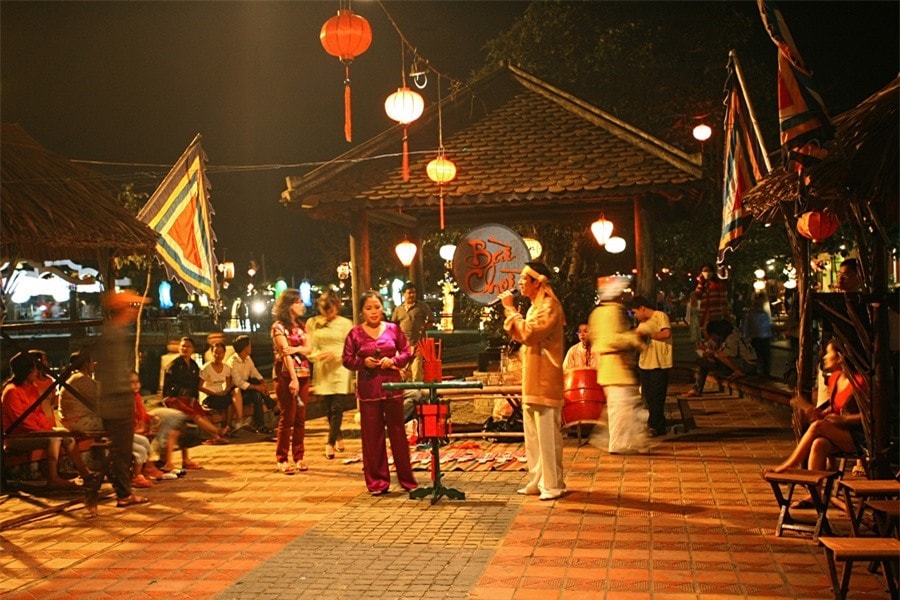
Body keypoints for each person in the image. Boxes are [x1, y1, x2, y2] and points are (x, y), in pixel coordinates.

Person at [769, 339, 865, 506]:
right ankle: (815, 494)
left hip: (859, 437)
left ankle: (789, 466)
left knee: (818, 427)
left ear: (841, 357)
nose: (825, 356)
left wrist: (844, 419)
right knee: (819, 444)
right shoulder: (835, 378)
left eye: (829, 353)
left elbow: (870, 417)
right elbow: (834, 409)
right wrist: (818, 412)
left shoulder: (859, 381)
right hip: (839, 432)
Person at [499, 262, 566, 501]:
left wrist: (510, 310)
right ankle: (537, 480)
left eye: (524, 279)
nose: (520, 283)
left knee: (547, 437)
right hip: (533, 378)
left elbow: (528, 334)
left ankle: (553, 484)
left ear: (538, 282)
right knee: (533, 436)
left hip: (546, 378)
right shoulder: (534, 307)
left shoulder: (549, 306)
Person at [342, 291, 417, 495]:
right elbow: (347, 359)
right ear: (361, 311)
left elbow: (407, 351)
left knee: (398, 435)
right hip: (369, 390)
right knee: (372, 438)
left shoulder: (393, 329)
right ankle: (377, 483)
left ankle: (407, 480)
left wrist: (393, 361)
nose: (374, 312)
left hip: (392, 388)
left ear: (382, 308)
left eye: (377, 307)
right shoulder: (355, 334)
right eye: (368, 308)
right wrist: (363, 362)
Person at [92, 290, 151, 508]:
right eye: (132, 306)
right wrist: (129, 395)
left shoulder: (113, 332)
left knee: (121, 451)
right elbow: (115, 375)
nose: (135, 310)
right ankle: (122, 493)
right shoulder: (114, 335)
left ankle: (121, 491)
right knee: (121, 451)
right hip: (116, 404)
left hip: (113, 403)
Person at [2, 352, 95, 488]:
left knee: (66, 434)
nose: (37, 372)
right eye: (34, 368)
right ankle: (53, 478)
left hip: (34, 431)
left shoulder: (32, 387)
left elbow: (39, 413)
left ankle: (84, 472)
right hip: (17, 436)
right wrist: (44, 432)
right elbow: (21, 420)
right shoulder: (11, 391)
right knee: (54, 438)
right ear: (26, 370)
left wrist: (46, 428)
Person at [589, 276, 650, 454]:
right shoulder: (612, 312)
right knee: (621, 408)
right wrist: (634, 337)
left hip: (609, 366)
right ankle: (618, 443)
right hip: (615, 366)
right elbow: (612, 339)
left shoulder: (598, 313)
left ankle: (625, 442)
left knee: (622, 407)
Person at [307, 290, 354, 460]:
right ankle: (338, 434)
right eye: (324, 310)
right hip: (323, 368)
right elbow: (310, 346)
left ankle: (330, 442)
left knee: (337, 407)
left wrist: (336, 355)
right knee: (327, 407)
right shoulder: (314, 323)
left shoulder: (346, 324)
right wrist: (315, 356)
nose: (327, 314)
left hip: (340, 368)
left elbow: (351, 348)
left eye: (331, 310)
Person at [271, 289, 313, 474]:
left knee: (301, 418)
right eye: (298, 302)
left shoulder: (303, 326)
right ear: (288, 305)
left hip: (304, 374)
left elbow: (309, 349)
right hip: (286, 376)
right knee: (287, 417)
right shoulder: (278, 327)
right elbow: (284, 354)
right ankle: (282, 458)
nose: (302, 305)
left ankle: (299, 456)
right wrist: (293, 379)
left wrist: (296, 349)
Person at [163, 336, 228, 449]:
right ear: (179, 348)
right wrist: (181, 393)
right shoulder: (173, 365)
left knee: (199, 410)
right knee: (193, 413)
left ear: (193, 349)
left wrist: (193, 397)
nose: (185, 348)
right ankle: (217, 430)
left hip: (187, 399)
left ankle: (215, 436)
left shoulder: (193, 365)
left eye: (188, 346)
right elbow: (169, 387)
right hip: (174, 399)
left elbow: (194, 386)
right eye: (183, 346)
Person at [632, 295, 673, 437]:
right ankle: (657, 424)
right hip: (645, 364)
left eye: (636, 312)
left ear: (642, 308)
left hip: (659, 363)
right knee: (648, 396)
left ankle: (656, 426)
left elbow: (666, 333)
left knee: (657, 396)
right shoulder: (642, 323)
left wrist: (650, 334)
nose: (636, 316)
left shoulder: (660, 316)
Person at [687, 319, 757, 396]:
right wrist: (707, 352)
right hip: (739, 362)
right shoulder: (723, 337)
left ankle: (738, 372)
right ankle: (696, 389)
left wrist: (709, 351)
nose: (711, 338)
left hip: (747, 364)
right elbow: (707, 347)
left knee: (717, 357)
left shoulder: (732, 337)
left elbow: (725, 355)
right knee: (705, 362)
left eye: (712, 335)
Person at [226, 335, 272, 434]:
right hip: (236, 393)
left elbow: (254, 372)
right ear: (245, 348)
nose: (251, 348)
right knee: (256, 389)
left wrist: (263, 383)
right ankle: (272, 405)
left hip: (247, 389)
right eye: (250, 346)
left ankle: (260, 425)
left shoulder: (247, 358)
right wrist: (257, 387)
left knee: (257, 394)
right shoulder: (232, 362)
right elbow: (238, 382)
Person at [390, 282, 433, 382]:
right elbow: (393, 325)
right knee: (402, 369)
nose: (412, 295)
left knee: (417, 369)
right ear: (403, 294)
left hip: (419, 343)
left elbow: (430, 320)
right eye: (409, 293)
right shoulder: (398, 309)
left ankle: (418, 391)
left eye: (414, 292)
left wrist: (422, 331)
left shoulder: (422, 306)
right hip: (403, 345)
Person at [199, 341, 244, 434]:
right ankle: (227, 427)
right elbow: (199, 387)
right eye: (216, 352)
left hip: (220, 395)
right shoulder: (206, 368)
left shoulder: (227, 368)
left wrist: (225, 390)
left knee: (231, 398)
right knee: (228, 402)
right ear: (212, 353)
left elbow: (228, 384)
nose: (218, 355)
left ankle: (228, 426)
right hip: (209, 396)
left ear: (224, 353)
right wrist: (214, 393)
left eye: (221, 352)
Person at [742, 295, 773, 378]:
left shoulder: (764, 313)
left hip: (765, 338)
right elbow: (747, 326)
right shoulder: (751, 314)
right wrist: (746, 337)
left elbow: (768, 326)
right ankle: (758, 372)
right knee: (757, 356)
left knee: (765, 356)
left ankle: (766, 373)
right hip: (756, 338)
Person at [695, 263, 730, 329]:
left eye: (707, 270)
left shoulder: (718, 285)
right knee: (706, 333)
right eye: (703, 271)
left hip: (716, 315)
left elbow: (723, 300)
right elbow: (697, 295)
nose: (705, 273)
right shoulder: (703, 285)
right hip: (704, 315)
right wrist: (700, 282)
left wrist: (726, 314)